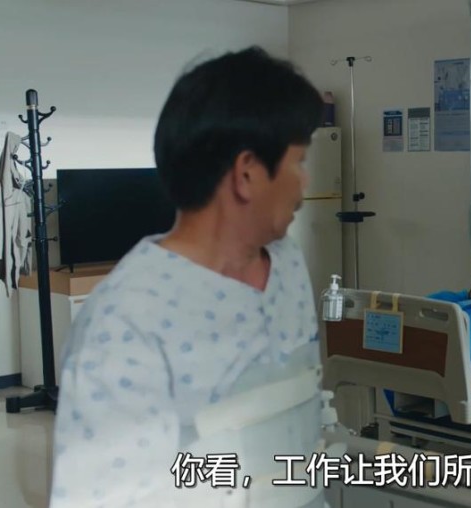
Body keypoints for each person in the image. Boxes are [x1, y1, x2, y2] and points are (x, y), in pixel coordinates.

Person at [48, 47, 325, 507]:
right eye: (299, 161)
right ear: (247, 173)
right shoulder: (126, 321)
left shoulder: (288, 264)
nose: (305, 182)